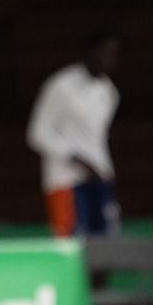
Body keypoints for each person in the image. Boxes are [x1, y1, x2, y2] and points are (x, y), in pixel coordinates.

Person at [27, 35, 122, 239]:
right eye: (103, 53)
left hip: (98, 177)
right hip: (65, 180)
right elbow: (37, 133)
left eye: (113, 54)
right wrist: (77, 160)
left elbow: (99, 138)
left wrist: (105, 171)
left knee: (106, 243)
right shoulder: (61, 86)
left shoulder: (109, 92)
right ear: (89, 54)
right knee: (72, 244)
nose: (108, 59)